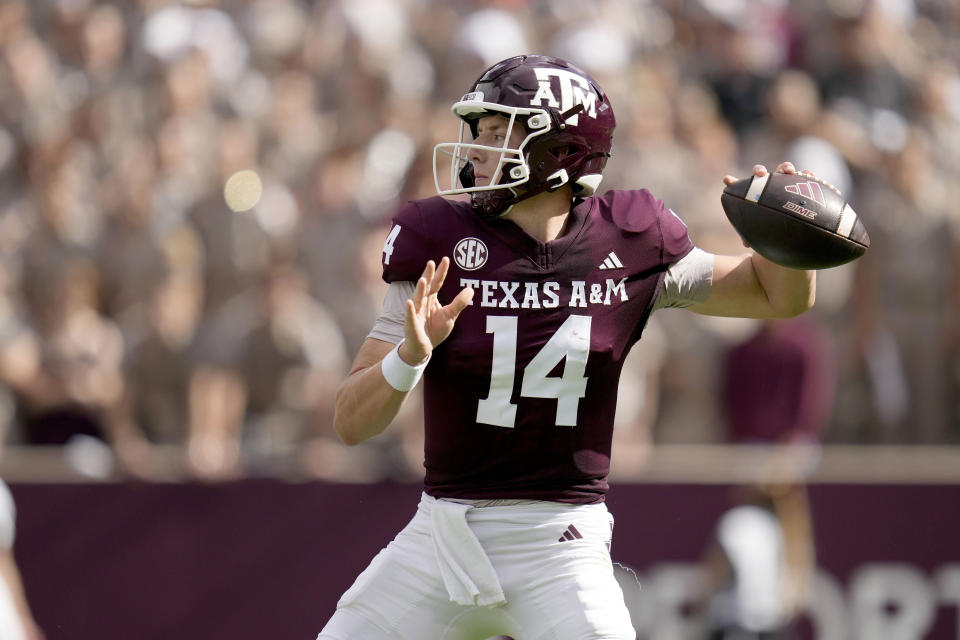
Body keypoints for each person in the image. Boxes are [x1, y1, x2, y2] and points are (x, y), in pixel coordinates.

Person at [318, 55, 818, 640]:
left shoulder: (630, 238)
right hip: (441, 537)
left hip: (561, 543)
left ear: (559, 152)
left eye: (498, 131)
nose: (476, 148)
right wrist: (409, 358)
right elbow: (350, 423)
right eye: (479, 130)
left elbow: (773, 295)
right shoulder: (437, 240)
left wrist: (790, 237)